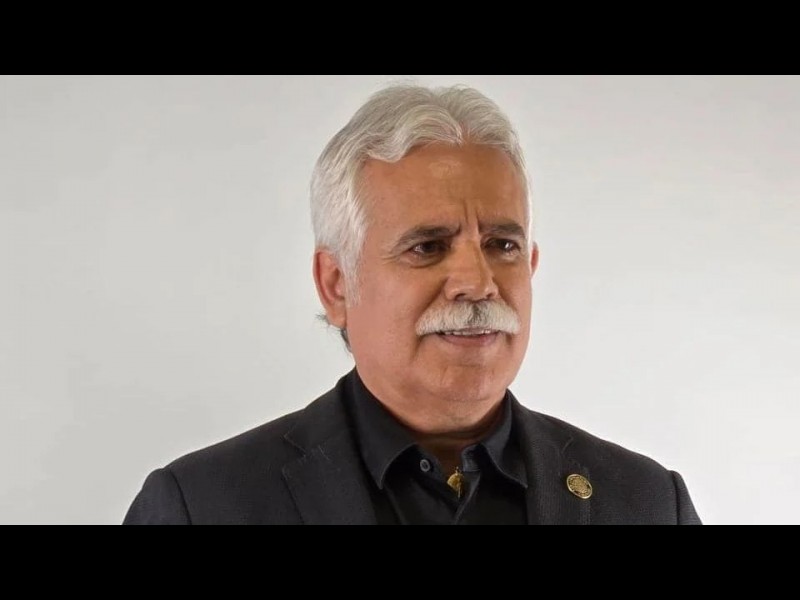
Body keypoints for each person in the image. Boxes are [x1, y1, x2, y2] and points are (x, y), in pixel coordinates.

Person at [123, 82, 702, 525]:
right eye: (428, 247)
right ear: (337, 284)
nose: (478, 282)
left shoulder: (649, 503)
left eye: (502, 245)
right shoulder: (201, 506)